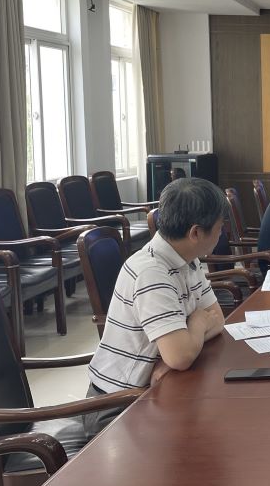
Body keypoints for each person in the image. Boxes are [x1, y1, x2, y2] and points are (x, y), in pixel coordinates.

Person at [85, 178, 228, 438]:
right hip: (116, 406)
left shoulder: (187, 258)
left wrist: (170, 358)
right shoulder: (152, 272)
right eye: (219, 228)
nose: (221, 234)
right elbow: (182, 355)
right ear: (196, 233)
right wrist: (196, 323)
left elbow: (218, 319)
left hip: (150, 391)